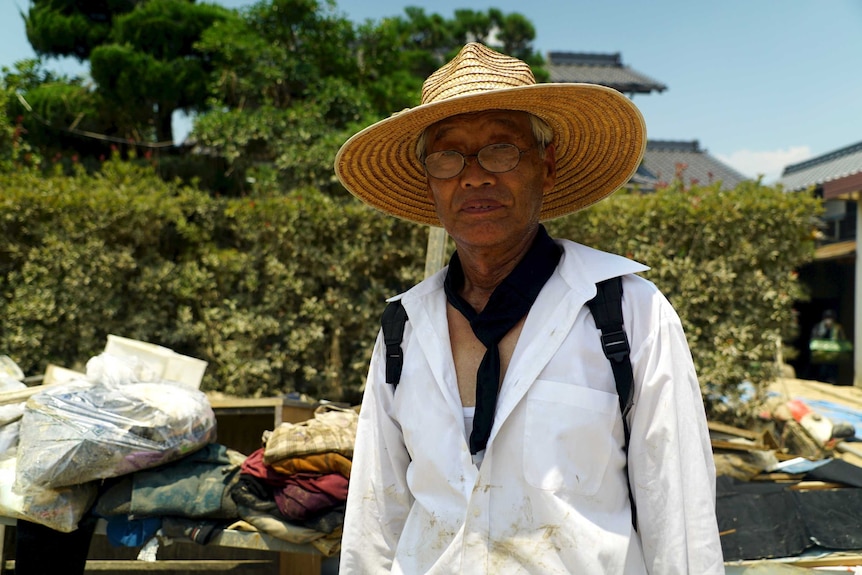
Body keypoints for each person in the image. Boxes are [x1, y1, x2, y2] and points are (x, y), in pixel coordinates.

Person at [334, 42, 723, 574]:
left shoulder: (627, 312)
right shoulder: (404, 326)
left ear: (548, 164)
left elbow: (680, 520)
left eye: (502, 148)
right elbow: (375, 522)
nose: (474, 176)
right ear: (431, 182)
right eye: (448, 157)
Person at [810, 309, 848, 384]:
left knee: (832, 368)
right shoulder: (818, 327)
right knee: (821, 368)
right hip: (821, 353)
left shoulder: (837, 328)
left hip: (833, 354)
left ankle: (831, 380)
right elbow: (814, 338)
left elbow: (843, 339)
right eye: (827, 318)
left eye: (830, 318)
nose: (829, 320)